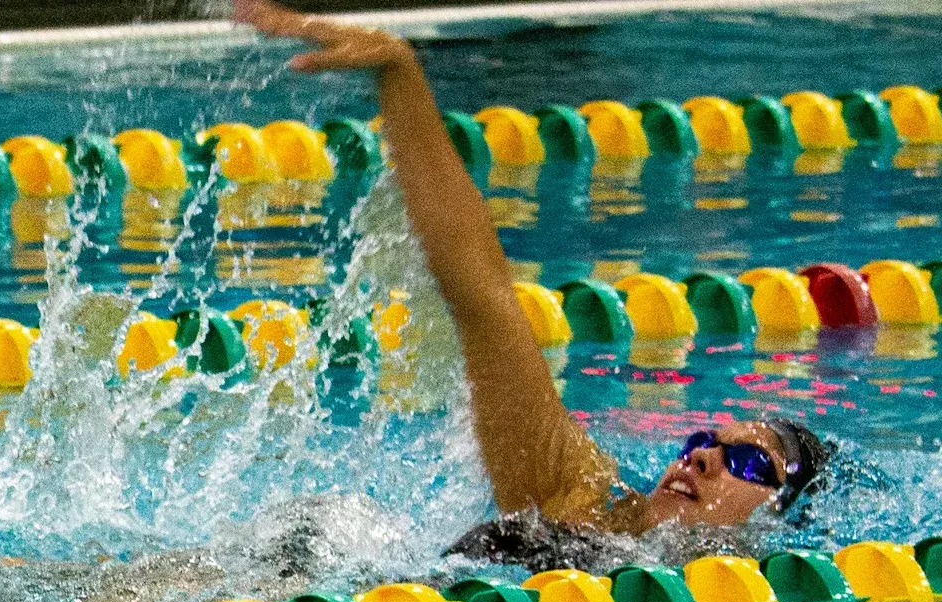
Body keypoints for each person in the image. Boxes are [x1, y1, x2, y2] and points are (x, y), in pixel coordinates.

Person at [232, 0, 834, 569]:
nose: (700, 456)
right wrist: (401, 75)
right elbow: (482, 297)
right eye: (707, 440)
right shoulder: (581, 492)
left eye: (750, 462)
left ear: (780, 519)